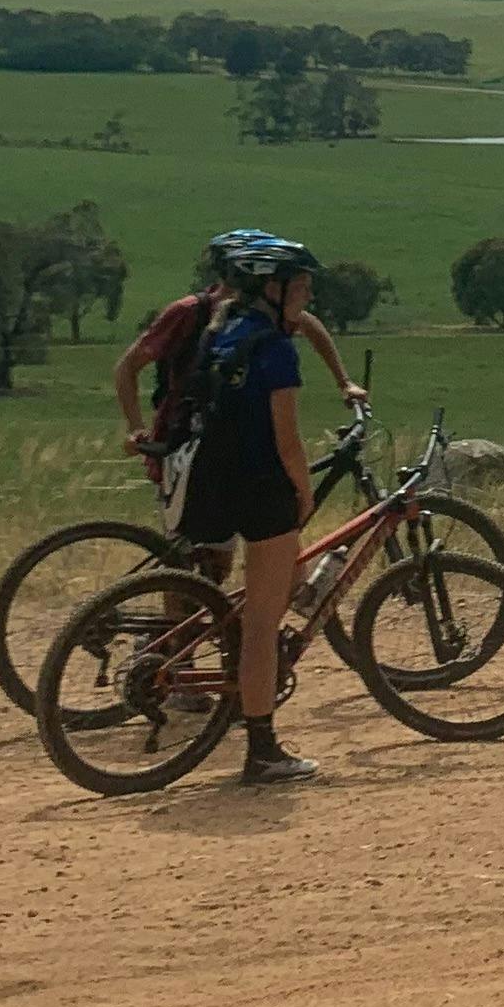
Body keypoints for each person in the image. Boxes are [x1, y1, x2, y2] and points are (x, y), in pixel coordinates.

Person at [182, 235, 324, 784]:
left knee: (256, 604)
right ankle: (262, 750)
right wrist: (304, 492)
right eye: (303, 286)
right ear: (273, 286)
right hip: (261, 484)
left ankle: (238, 666)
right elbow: (287, 440)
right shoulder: (276, 349)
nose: (308, 296)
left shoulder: (221, 331)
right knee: (265, 621)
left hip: (212, 480)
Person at [115, 233, 364, 515]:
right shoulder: (189, 312)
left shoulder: (259, 316)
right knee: (205, 546)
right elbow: (127, 367)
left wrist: (344, 382)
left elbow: (309, 324)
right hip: (185, 437)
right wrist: (136, 428)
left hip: (234, 444)